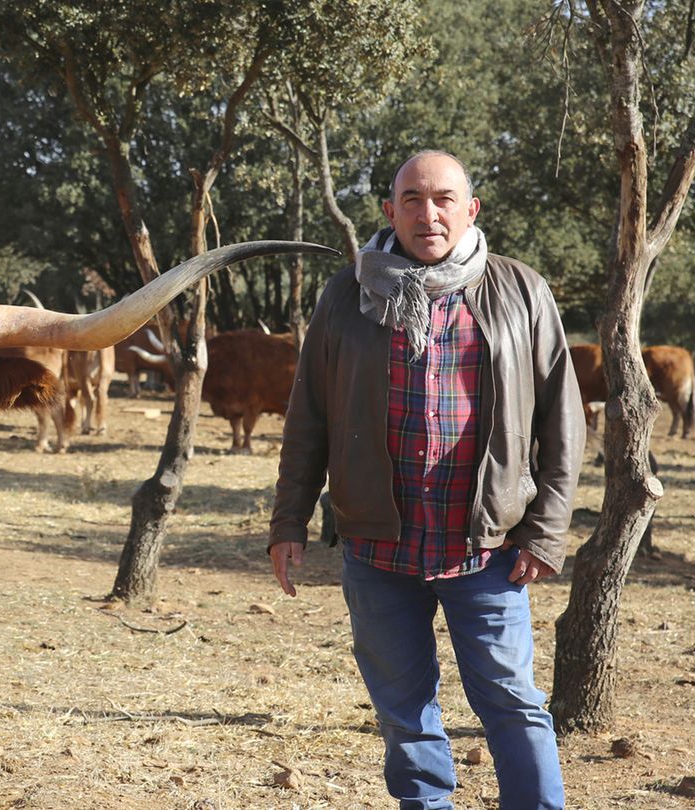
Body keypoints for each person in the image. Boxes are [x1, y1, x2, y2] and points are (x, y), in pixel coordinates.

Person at [268, 150, 583, 809]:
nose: (427, 212)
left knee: (512, 704)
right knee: (405, 715)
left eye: (443, 198)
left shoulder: (521, 291)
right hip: (378, 551)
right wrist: (288, 522)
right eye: (411, 199)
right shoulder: (348, 293)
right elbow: (309, 417)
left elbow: (563, 422)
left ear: (471, 210)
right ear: (389, 212)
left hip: (487, 550)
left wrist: (546, 532)